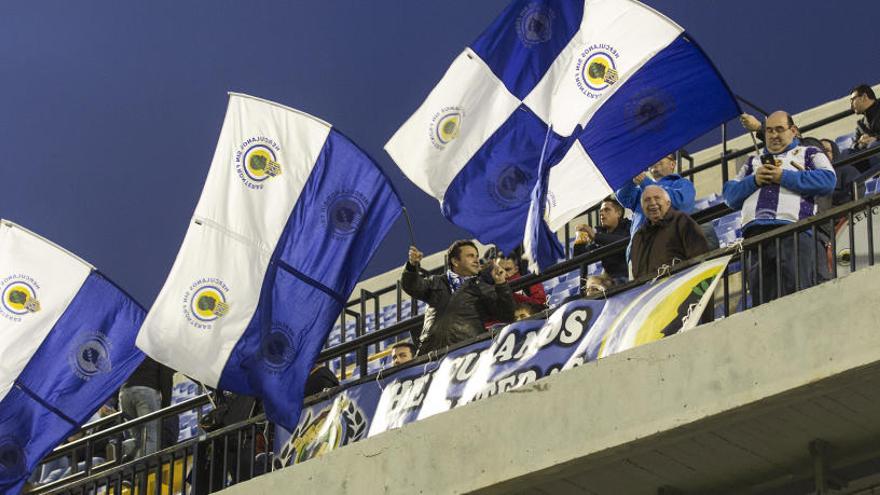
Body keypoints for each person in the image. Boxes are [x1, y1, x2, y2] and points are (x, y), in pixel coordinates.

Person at [723, 111, 836, 305]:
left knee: (797, 295)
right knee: (763, 302)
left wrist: (782, 176)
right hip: (755, 238)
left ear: (793, 131)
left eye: (779, 129)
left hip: (793, 231)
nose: (774, 135)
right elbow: (729, 196)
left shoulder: (809, 152)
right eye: (769, 131)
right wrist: (755, 180)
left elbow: (828, 180)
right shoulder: (752, 162)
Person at [402, 240, 514, 355]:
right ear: (455, 261)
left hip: (466, 354)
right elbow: (412, 286)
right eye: (470, 256)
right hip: (430, 355)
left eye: (477, 256)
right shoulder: (436, 281)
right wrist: (412, 266)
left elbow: (507, 315)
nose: (476, 260)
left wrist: (501, 284)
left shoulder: (482, 287)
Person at [616, 153, 696, 260]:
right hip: (638, 254)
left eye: (661, 154)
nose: (655, 159)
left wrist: (646, 183)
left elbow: (681, 203)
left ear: (672, 164)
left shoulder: (682, 184)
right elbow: (623, 197)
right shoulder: (640, 190)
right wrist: (633, 176)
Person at [630, 186, 710, 279]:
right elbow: (637, 272)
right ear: (643, 207)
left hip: (679, 286)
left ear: (668, 203)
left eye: (657, 198)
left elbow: (699, 255)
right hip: (651, 291)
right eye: (647, 200)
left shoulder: (681, 221)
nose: (652, 203)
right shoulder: (638, 236)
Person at [119, 356, 174, 460]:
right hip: (146, 391)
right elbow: (165, 376)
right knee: (150, 437)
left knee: (136, 438)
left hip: (124, 392)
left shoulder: (134, 345)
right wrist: (166, 407)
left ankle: (129, 460)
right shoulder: (158, 347)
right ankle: (145, 471)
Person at [572, 197, 631, 282]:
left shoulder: (629, 226)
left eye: (607, 210)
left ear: (618, 213)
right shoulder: (600, 234)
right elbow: (579, 259)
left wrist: (595, 236)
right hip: (610, 281)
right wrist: (580, 241)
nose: (602, 213)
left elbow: (625, 241)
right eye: (601, 211)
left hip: (629, 277)